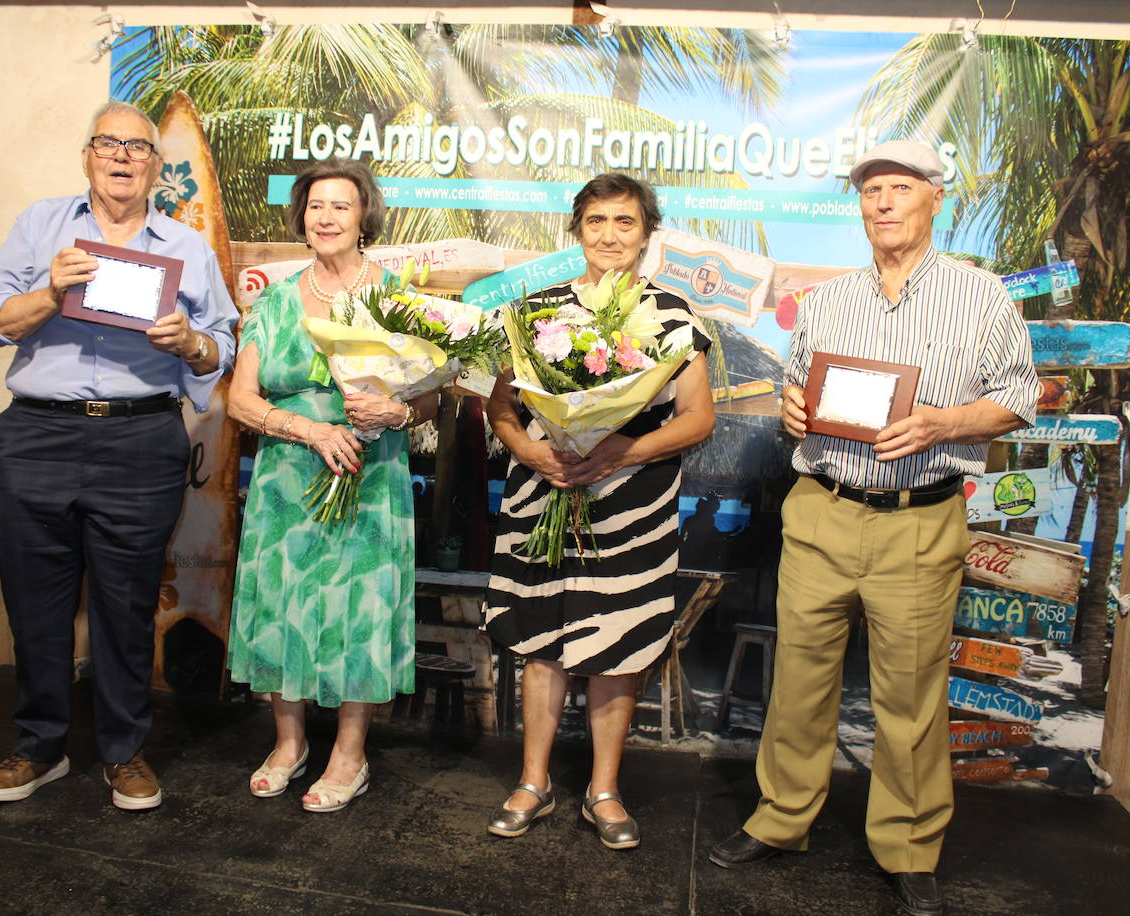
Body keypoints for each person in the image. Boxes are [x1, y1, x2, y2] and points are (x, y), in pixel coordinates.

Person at [708, 141, 1038, 915]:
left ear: (935, 200)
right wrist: (793, 411)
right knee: (799, 686)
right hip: (821, 510)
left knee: (910, 699)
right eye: (871, 190)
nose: (882, 202)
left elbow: (1018, 396)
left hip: (917, 523)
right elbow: (799, 392)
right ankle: (781, 820)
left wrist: (945, 422)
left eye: (900, 187)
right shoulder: (827, 300)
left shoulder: (981, 295)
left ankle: (909, 846)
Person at [0, 100, 238, 809]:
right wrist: (51, 291)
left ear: (156, 166)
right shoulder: (40, 226)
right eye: (108, 144)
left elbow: (221, 346)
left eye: (138, 148)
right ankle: (38, 748)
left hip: (140, 436)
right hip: (38, 434)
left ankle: (125, 753)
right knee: (36, 605)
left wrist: (191, 344)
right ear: (88, 155)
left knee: (125, 606)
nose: (122, 157)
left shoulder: (186, 247)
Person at [484, 173, 716, 849]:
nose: (610, 235)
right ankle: (533, 782)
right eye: (596, 222)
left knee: (619, 646)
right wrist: (531, 450)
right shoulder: (536, 312)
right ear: (576, 230)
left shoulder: (674, 316)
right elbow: (502, 409)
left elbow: (698, 419)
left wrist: (624, 447)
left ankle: (604, 790)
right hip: (545, 497)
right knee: (541, 643)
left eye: (625, 222)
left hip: (632, 509)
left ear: (647, 232)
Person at [226, 159, 436, 812]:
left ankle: (350, 753)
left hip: (370, 479)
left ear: (364, 217)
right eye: (316, 206)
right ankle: (288, 744)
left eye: (340, 206)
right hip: (288, 481)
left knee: (359, 611)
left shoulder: (399, 296)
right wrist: (308, 431)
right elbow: (239, 400)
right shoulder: (277, 299)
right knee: (282, 604)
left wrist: (397, 412)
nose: (325, 217)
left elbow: (431, 397)